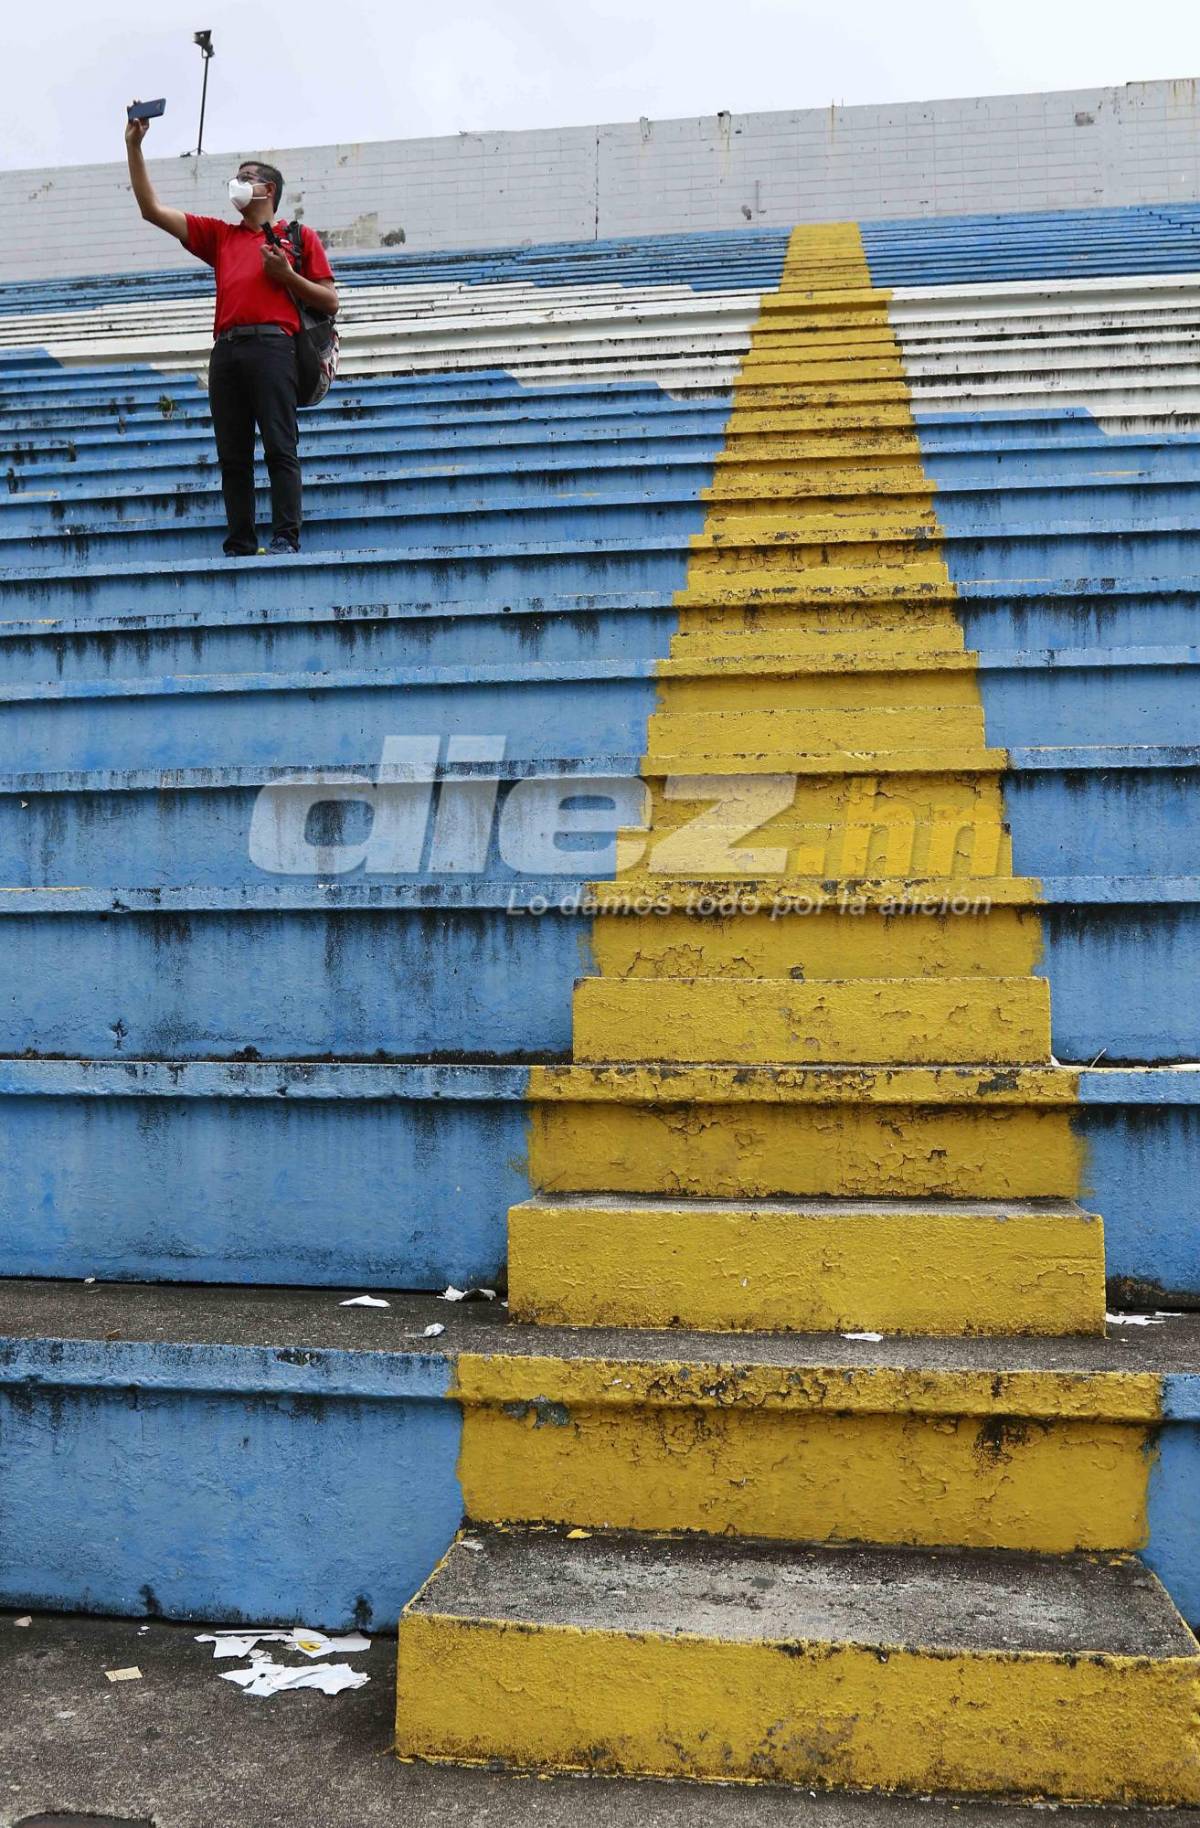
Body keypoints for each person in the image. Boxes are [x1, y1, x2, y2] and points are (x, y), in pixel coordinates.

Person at [125, 113, 338, 556]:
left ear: (268, 190)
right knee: (233, 455)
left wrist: (286, 275)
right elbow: (151, 211)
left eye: (246, 178)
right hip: (226, 349)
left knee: (281, 445)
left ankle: (285, 536)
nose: (237, 185)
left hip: (275, 346)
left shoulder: (297, 237)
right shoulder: (219, 236)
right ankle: (240, 539)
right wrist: (134, 147)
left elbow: (330, 301)